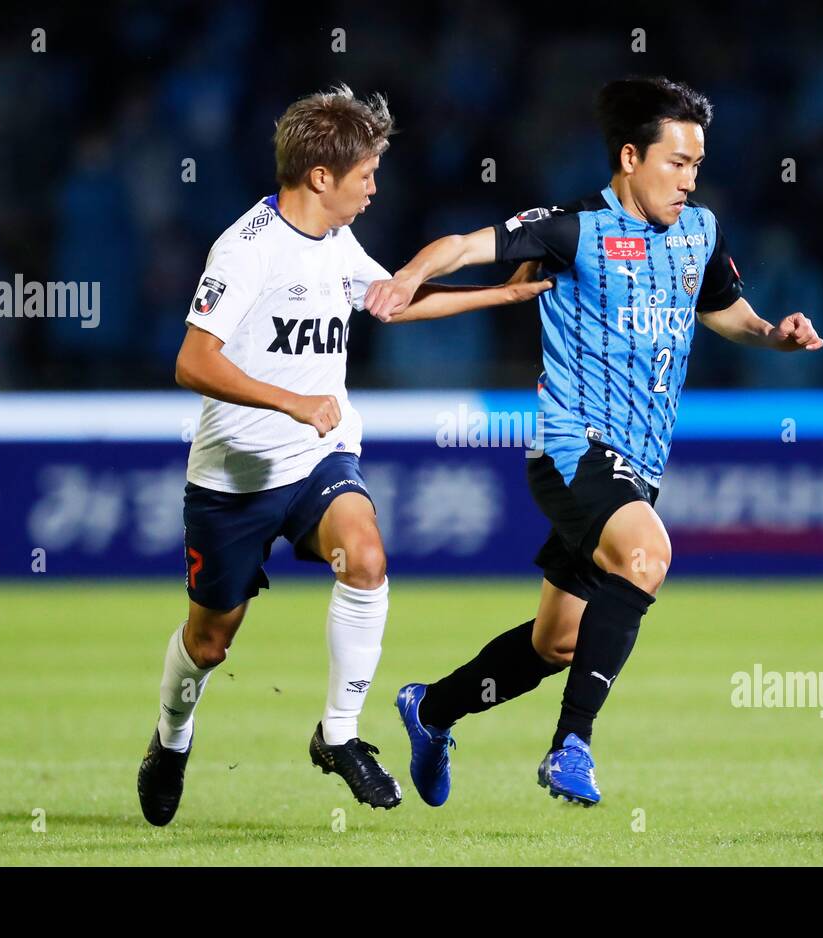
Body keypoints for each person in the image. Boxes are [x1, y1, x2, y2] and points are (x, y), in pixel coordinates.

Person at [367, 76, 823, 806]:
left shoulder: (700, 231)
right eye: (676, 163)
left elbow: (724, 310)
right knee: (648, 555)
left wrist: (774, 335)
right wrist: (410, 275)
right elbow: (465, 246)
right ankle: (570, 747)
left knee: (558, 644)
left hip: (640, 464)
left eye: (697, 165)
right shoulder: (575, 227)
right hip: (571, 446)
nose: (689, 180)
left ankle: (430, 710)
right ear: (630, 157)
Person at [137, 85, 552, 825]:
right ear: (322, 177)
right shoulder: (247, 248)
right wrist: (292, 401)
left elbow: (393, 299)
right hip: (235, 477)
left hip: (320, 458)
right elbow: (193, 361)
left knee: (365, 557)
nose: (374, 186)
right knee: (210, 640)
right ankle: (171, 738)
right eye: (366, 173)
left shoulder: (335, 241)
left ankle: (339, 734)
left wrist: (503, 298)